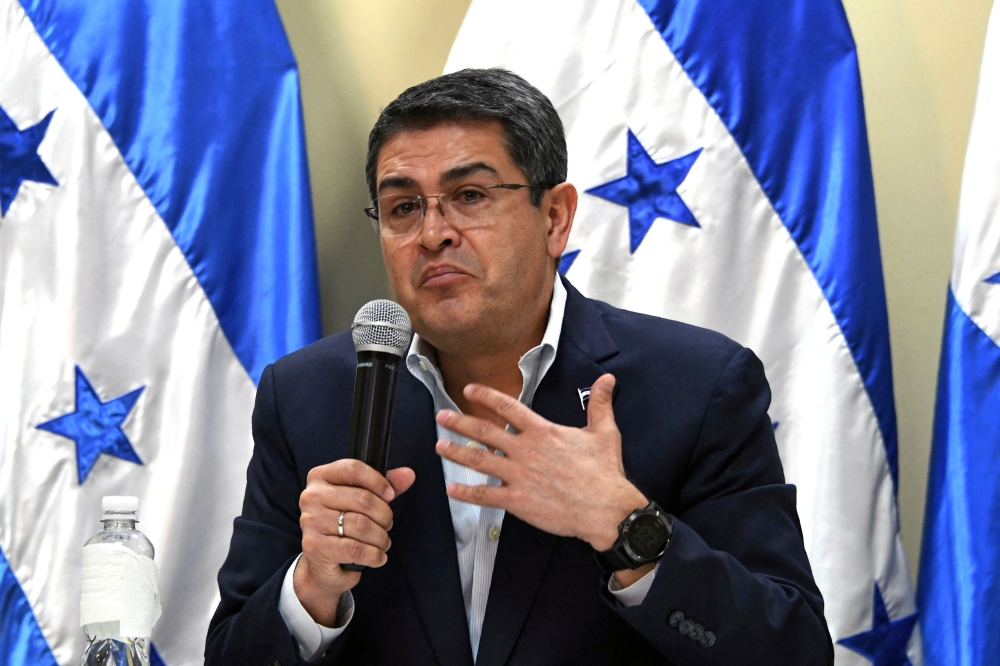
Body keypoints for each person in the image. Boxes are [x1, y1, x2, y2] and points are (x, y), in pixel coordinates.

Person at [205, 68, 833, 665]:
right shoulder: (307, 394)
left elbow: (793, 651)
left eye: (470, 196)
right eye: (402, 208)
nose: (432, 234)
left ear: (555, 217)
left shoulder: (699, 386)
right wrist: (311, 586)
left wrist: (627, 528)